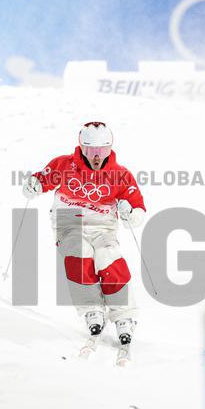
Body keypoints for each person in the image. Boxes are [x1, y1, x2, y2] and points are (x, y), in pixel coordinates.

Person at [23, 121, 147, 366]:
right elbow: (40, 181)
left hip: (103, 226)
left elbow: (138, 210)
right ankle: (92, 309)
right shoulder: (64, 165)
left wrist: (129, 212)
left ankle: (123, 315)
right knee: (78, 252)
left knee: (108, 256)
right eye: (91, 152)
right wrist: (33, 186)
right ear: (82, 148)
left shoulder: (120, 174)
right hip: (69, 223)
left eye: (102, 151)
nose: (97, 157)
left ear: (110, 148)